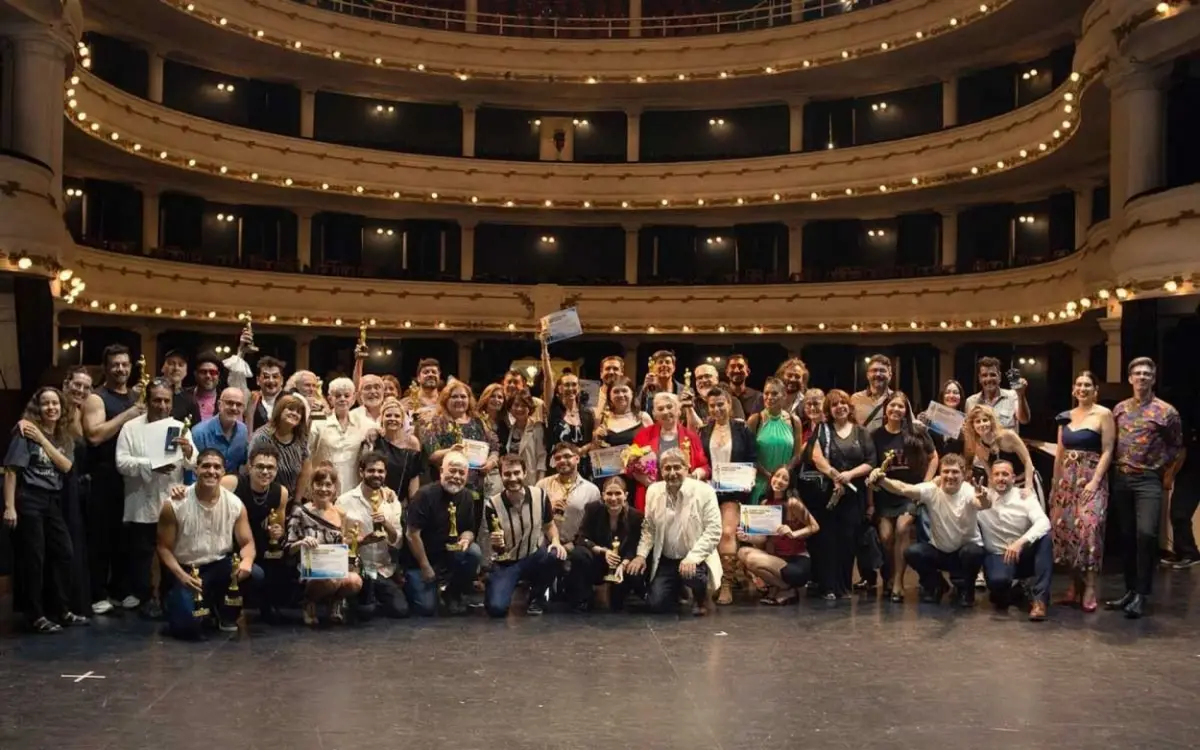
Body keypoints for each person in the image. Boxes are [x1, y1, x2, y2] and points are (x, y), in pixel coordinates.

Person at [3, 387, 89, 633]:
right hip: (29, 499)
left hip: (52, 501)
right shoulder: (24, 433)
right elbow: (11, 470)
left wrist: (42, 439)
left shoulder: (63, 437)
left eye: (55, 404)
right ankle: (35, 615)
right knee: (34, 560)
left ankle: (61, 610)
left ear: (61, 409)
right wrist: (9, 507)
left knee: (64, 553)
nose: (51, 408)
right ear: (38, 408)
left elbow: (66, 466)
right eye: (45, 404)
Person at [1106, 357, 1184, 619]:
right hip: (1121, 478)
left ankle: (1142, 593)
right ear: (1130, 379)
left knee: (1146, 535)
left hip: (1148, 480)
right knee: (1126, 537)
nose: (1142, 377)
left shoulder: (1166, 412)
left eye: (1147, 374)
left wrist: (1162, 469)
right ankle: (1129, 590)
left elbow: (1175, 445)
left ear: (1153, 378)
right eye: (1137, 373)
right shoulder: (1119, 409)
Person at [157, 449, 260, 639]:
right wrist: (182, 576)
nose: (211, 471)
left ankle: (226, 614)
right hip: (187, 570)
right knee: (187, 627)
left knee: (255, 574)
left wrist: (246, 561)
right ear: (196, 470)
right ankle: (185, 604)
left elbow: (247, 543)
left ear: (223, 472)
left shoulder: (235, 504)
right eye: (206, 466)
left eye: (217, 467)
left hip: (220, 566)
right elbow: (163, 548)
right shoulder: (174, 504)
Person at [116, 380, 195, 618]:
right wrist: (151, 465)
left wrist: (189, 452)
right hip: (141, 500)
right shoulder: (130, 428)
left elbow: (194, 463)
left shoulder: (180, 427)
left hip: (172, 501)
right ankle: (146, 599)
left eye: (166, 401)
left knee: (171, 553)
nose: (162, 405)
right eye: (157, 400)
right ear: (147, 401)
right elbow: (121, 463)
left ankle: (169, 598)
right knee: (142, 556)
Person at [869, 454, 988, 607]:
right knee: (913, 553)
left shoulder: (970, 491)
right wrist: (881, 480)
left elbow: (982, 504)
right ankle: (936, 585)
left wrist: (983, 498)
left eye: (955, 472)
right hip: (940, 551)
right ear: (940, 474)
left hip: (964, 553)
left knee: (974, 552)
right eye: (946, 471)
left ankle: (967, 590)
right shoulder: (932, 490)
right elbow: (903, 488)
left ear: (963, 474)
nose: (950, 476)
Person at [81, 344, 145, 614]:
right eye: (115, 364)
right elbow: (94, 435)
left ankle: (121, 589)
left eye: (125, 364)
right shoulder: (97, 398)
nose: (121, 369)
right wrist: (128, 415)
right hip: (103, 476)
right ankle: (97, 593)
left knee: (126, 536)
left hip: (129, 476)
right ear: (106, 368)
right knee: (100, 538)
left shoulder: (135, 395)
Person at [626, 448, 722, 616]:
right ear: (660, 470)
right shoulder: (653, 491)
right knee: (656, 605)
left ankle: (701, 597)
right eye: (667, 468)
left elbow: (714, 531)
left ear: (687, 468)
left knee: (692, 575)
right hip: (667, 559)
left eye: (677, 467)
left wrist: (693, 557)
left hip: (695, 558)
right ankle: (678, 588)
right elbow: (649, 528)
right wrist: (641, 555)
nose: (672, 473)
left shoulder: (705, 491)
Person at [1049, 371, 1115, 612]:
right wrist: (1055, 484)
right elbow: (1059, 451)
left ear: (1095, 389)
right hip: (1066, 480)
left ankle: (1090, 586)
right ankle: (1074, 584)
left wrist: (1095, 481)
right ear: (1073, 389)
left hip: (1090, 478)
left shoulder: (1103, 414)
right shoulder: (1065, 417)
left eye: (1088, 384)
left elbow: (1108, 449)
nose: (1083, 388)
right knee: (1065, 530)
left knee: (1089, 528)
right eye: (1078, 384)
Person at [807, 389, 877, 600]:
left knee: (848, 541)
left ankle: (844, 587)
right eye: (834, 405)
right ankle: (828, 586)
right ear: (829, 410)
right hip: (829, 494)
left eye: (843, 403)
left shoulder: (861, 432)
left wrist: (849, 475)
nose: (840, 407)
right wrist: (835, 475)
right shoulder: (822, 429)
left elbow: (871, 462)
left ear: (849, 406)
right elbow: (816, 457)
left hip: (854, 495)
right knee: (828, 541)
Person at [868, 392, 937, 602]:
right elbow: (871, 470)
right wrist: (870, 502)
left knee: (903, 528)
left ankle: (898, 581)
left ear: (906, 410)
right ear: (885, 409)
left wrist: (925, 485)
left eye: (901, 406)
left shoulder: (916, 431)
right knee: (887, 537)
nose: (896, 410)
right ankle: (888, 576)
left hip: (909, 492)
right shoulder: (876, 435)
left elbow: (934, 457)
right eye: (892, 406)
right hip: (885, 494)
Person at [483, 455, 567, 617]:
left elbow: (549, 525)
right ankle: (495, 583)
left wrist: (556, 541)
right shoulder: (492, 504)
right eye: (507, 474)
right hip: (507, 562)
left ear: (525, 473)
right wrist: (496, 543)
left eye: (517, 473)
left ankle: (537, 596)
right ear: (501, 476)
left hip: (533, 555)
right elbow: (497, 547)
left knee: (556, 554)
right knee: (496, 609)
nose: (513, 478)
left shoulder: (540, 496)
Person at [401, 451, 482, 615]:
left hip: (448, 558)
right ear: (441, 471)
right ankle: (409, 585)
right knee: (426, 609)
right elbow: (412, 534)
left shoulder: (467, 496)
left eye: (461, 473)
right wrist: (425, 566)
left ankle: (453, 592)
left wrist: (466, 538)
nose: (456, 476)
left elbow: (469, 529)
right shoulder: (424, 495)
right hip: (420, 560)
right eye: (452, 470)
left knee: (473, 552)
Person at [285, 464, 364, 625]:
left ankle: (335, 603)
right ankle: (309, 603)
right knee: (330, 579)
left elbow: (342, 544)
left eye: (328, 485)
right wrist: (302, 542)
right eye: (319, 484)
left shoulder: (340, 513)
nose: (323, 489)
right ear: (311, 486)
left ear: (335, 489)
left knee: (355, 580)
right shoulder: (300, 512)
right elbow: (288, 548)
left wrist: (352, 546)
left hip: (334, 567)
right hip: (308, 569)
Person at [699, 385, 756, 605]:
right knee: (707, 537)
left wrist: (748, 478)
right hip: (708, 491)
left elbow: (752, 458)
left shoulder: (742, 429)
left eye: (720, 404)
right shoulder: (703, 430)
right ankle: (706, 581)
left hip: (734, 490)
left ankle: (727, 583)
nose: (716, 409)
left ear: (730, 404)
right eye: (712, 406)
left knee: (727, 533)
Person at [219, 443, 289, 622]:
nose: (265, 472)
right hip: (227, 537)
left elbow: (279, 529)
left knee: (279, 557)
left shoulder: (280, 492)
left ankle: (268, 606)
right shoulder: (231, 483)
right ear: (250, 466)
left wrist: (277, 531)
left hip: (257, 537)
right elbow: (204, 493)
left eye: (270, 467)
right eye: (260, 466)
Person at [977, 460, 1052, 621]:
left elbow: (1044, 522)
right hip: (998, 555)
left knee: (1045, 538)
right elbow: (955, 487)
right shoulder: (981, 497)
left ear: (1013, 478)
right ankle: (1013, 588)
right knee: (999, 589)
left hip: (1022, 554)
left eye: (1005, 474)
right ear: (990, 479)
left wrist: (1020, 542)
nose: (1001, 478)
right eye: (996, 474)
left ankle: (1039, 600)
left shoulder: (1025, 497)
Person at [336, 452, 407, 619]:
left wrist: (385, 523)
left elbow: (397, 541)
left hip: (384, 570)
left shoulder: (392, 501)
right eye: (371, 470)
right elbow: (338, 543)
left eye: (380, 471)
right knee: (365, 613)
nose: (376, 474)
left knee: (401, 610)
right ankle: (359, 599)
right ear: (361, 472)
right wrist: (363, 541)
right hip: (358, 569)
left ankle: (371, 600)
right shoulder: (344, 501)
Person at [736, 466, 819, 605]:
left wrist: (794, 533)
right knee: (742, 552)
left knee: (752, 559)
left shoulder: (793, 503)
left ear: (789, 484)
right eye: (777, 476)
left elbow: (815, 526)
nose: (779, 481)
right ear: (771, 478)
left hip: (796, 561)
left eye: (785, 479)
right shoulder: (765, 503)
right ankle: (785, 588)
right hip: (777, 559)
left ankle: (785, 588)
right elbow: (763, 538)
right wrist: (747, 537)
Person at [568, 476, 645, 612]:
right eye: (609, 494)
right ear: (603, 495)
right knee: (578, 553)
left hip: (621, 564)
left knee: (617, 604)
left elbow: (634, 545)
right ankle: (583, 599)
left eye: (618, 494)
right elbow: (580, 538)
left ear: (626, 495)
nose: (613, 498)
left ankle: (631, 593)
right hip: (598, 560)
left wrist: (624, 564)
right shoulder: (593, 510)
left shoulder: (636, 516)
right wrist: (603, 551)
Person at [420, 380, 500, 506]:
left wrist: (491, 462)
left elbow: (494, 447)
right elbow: (432, 455)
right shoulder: (436, 422)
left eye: (463, 396)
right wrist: (450, 451)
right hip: (446, 488)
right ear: (446, 399)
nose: (459, 400)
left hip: (475, 490)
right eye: (454, 396)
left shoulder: (478, 421)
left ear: (469, 400)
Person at [630, 392, 710, 512]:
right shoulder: (643, 435)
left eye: (669, 407)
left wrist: (694, 475)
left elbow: (704, 467)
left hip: (684, 499)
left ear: (678, 410)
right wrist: (641, 477)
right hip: (651, 499)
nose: (666, 412)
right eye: (660, 409)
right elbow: (629, 466)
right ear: (654, 414)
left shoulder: (691, 436)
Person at [310, 377, 379, 501]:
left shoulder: (363, 423)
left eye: (346, 396)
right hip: (324, 486)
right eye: (338, 395)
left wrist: (376, 431)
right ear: (330, 399)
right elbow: (307, 451)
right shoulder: (319, 422)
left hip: (352, 487)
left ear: (353, 399)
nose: (342, 399)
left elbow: (382, 430)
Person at [962, 404, 1041, 504]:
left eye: (985, 420)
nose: (982, 424)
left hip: (1024, 482)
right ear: (972, 425)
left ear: (991, 421)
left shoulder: (1008, 436)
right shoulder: (977, 445)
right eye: (978, 421)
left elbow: (1027, 460)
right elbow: (990, 473)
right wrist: (991, 493)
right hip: (1004, 488)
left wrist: (1028, 487)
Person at [540, 339, 596, 477]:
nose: (570, 388)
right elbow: (548, 378)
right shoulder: (553, 410)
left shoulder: (588, 414)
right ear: (559, 389)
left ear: (579, 388)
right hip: (556, 468)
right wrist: (544, 348)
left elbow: (593, 442)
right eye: (566, 385)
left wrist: (582, 450)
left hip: (581, 468)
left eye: (574, 385)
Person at [746, 377, 804, 505]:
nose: (769, 397)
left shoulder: (795, 421)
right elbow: (749, 455)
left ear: (784, 395)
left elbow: (797, 455)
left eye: (774, 393)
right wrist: (769, 476)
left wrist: (781, 476)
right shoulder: (755, 420)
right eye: (766, 393)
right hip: (760, 484)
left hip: (784, 485)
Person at [536, 442, 601, 552]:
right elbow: (532, 517)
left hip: (576, 546)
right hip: (545, 544)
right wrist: (547, 510)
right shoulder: (542, 485)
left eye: (567, 456)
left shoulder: (592, 490)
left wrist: (573, 545)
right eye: (557, 458)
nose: (561, 460)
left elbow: (594, 526)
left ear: (577, 459)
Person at [249, 394, 313, 503]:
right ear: (279, 410)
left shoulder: (301, 438)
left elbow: (305, 471)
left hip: (290, 501)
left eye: (298, 412)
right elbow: (251, 469)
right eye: (290, 409)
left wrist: (297, 502)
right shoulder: (262, 437)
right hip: (262, 499)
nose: (294, 413)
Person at [363, 397, 425, 502]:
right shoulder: (375, 439)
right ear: (382, 419)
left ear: (402, 421)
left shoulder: (412, 443)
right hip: (375, 499)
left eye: (397, 416)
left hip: (400, 502)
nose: (392, 418)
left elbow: (414, 478)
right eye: (388, 415)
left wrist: (414, 504)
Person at [189, 387, 248, 475]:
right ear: (219, 404)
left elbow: (243, 462)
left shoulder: (243, 431)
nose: (234, 408)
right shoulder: (199, 433)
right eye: (230, 403)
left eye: (239, 404)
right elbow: (192, 469)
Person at [965, 356, 1030, 432]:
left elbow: (1024, 420)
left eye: (993, 375)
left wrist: (1020, 395)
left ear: (999, 376)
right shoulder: (970, 401)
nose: (988, 379)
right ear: (979, 378)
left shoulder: (1013, 396)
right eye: (984, 375)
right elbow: (969, 432)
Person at [496, 388, 546, 486]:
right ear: (510, 408)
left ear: (530, 408)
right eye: (516, 405)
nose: (519, 409)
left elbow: (542, 458)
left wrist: (540, 484)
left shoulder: (537, 427)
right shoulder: (510, 428)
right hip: (511, 481)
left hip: (531, 481)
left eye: (524, 406)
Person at [682, 363, 744, 429]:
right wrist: (689, 408)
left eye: (707, 376)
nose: (703, 380)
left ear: (717, 379)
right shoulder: (692, 404)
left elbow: (739, 427)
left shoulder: (732, 401)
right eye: (699, 378)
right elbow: (691, 432)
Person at [849, 354, 896, 432]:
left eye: (882, 370)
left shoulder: (898, 399)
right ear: (868, 375)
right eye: (874, 370)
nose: (878, 374)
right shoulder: (855, 399)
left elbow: (909, 424)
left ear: (890, 375)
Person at [243, 356, 288, 435]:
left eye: (275, 376)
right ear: (258, 380)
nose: (271, 381)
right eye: (266, 376)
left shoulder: (290, 400)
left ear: (282, 380)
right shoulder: (250, 400)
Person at [159, 349, 203, 425]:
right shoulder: (152, 393)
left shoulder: (191, 401)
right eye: (171, 363)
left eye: (181, 365)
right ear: (162, 367)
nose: (176, 368)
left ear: (186, 371)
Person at [186, 352, 224, 423]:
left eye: (212, 372)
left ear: (218, 375)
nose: (208, 376)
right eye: (203, 372)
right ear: (195, 374)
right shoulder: (183, 396)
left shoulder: (225, 400)